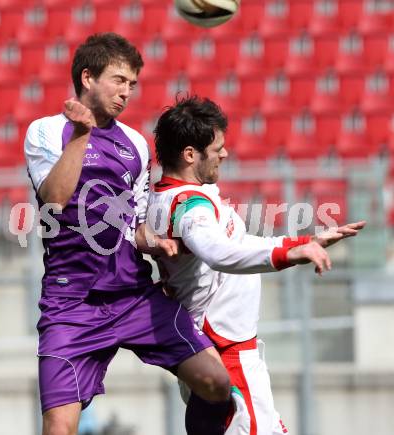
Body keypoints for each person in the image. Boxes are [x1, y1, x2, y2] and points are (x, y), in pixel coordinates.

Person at [24, 34, 234, 435]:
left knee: (216, 383)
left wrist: (158, 244)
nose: (127, 92)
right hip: (72, 304)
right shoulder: (46, 132)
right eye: (119, 80)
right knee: (59, 427)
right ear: (87, 77)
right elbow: (53, 201)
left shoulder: (135, 144)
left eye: (132, 84)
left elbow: (133, 227)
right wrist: (81, 134)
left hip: (133, 295)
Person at [147, 95, 366, 435]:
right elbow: (219, 253)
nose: (225, 153)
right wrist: (290, 255)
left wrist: (301, 243)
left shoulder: (182, 195)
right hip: (225, 353)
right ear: (190, 154)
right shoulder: (191, 207)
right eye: (217, 147)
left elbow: (237, 244)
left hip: (222, 350)